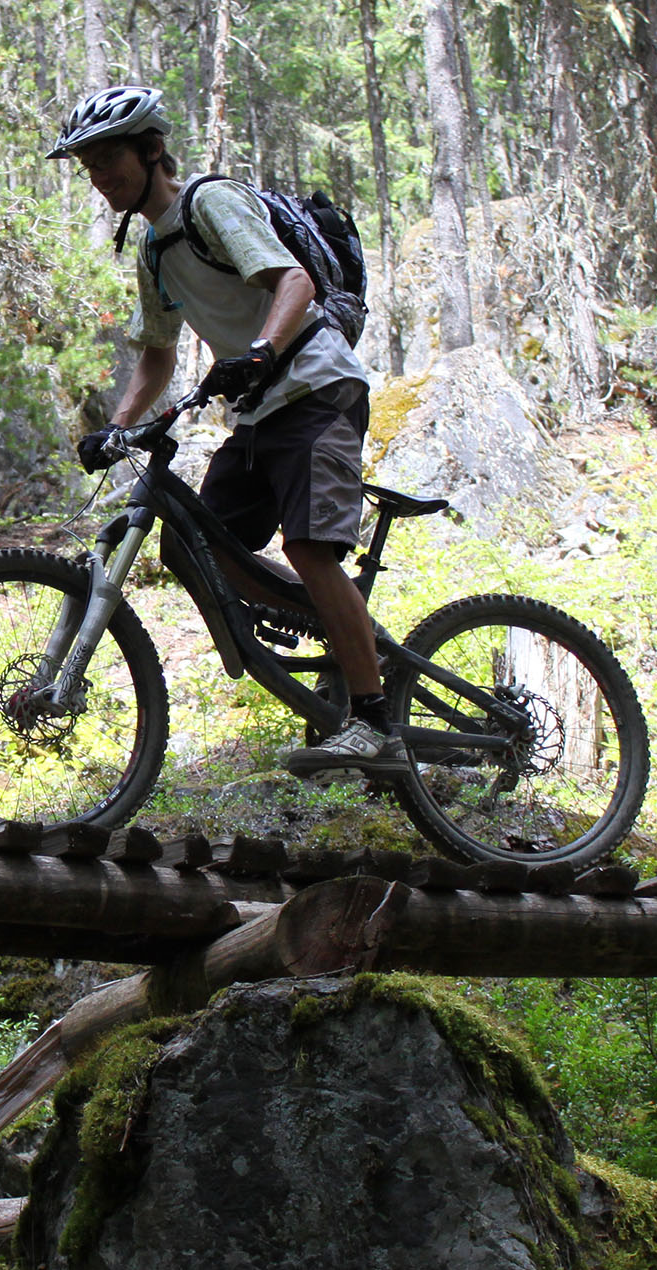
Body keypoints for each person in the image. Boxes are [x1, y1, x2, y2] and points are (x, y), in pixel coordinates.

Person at [53, 85, 404, 778]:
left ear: (151, 150)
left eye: (108, 159)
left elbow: (294, 282)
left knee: (308, 547)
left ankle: (373, 720)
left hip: (317, 388)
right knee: (196, 545)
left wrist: (263, 351)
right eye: (89, 167)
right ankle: (344, 630)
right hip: (258, 410)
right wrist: (115, 428)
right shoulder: (154, 247)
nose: (99, 177)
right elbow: (156, 355)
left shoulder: (210, 203)